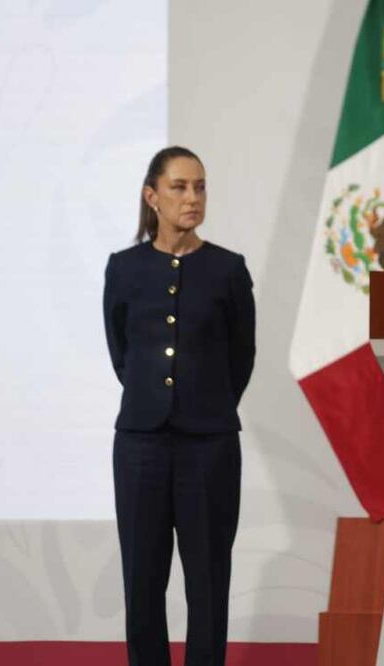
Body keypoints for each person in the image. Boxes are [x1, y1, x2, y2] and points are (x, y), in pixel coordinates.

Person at [103, 146, 255, 666]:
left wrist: (205, 406)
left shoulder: (228, 269)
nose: (193, 197)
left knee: (208, 581)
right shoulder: (124, 269)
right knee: (142, 581)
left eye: (200, 186)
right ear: (152, 196)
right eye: (180, 187)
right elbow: (121, 351)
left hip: (209, 446)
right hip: (141, 444)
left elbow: (242, 357)